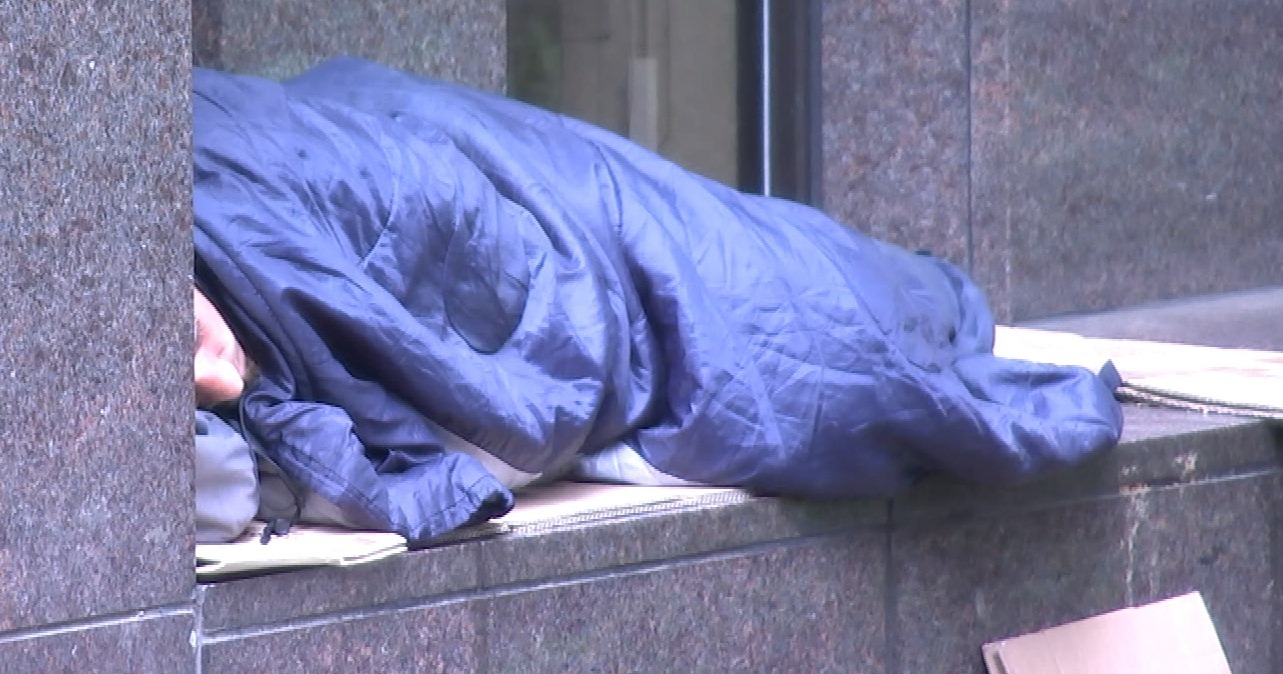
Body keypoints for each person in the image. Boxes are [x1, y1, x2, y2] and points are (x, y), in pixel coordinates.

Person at [194, 57, 1123, 544]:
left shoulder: (193, 194)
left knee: (794, 314)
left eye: (186, 340)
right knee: (812, 350)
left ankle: (891, 291)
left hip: (417, 173)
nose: (217, 375)